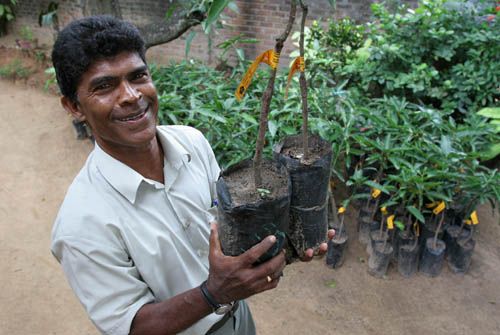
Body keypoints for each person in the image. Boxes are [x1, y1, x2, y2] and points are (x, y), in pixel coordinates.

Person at [50, 15, 334, 335]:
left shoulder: (192, 143)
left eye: (138, 76)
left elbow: (226, 234)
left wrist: (285, 247)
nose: (130, 95)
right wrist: (214, 293)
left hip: (239, 319)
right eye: (104, 86)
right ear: (73, 107)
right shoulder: (81, 223)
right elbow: (131, 327)